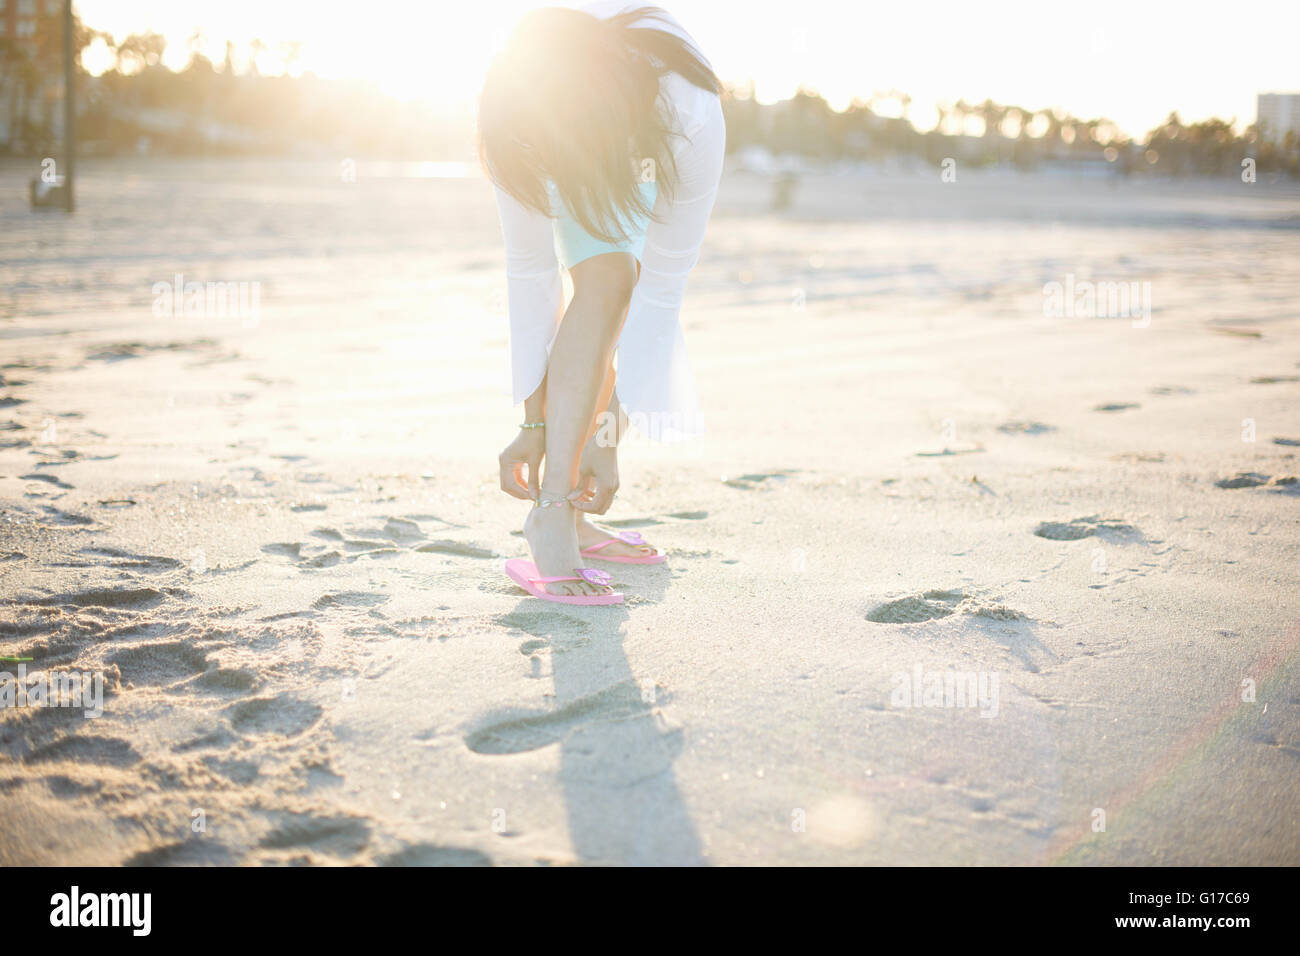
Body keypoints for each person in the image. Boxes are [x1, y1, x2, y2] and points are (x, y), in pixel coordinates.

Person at [479, 3, 725, 604]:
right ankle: (554, 514)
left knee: (625, 280)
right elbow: (532, 276)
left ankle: (569, 511)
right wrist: (532, 426)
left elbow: (659, 294)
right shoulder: (518, 101)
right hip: (569, 116)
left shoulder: (690, 109)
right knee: (606, 278)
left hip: (640, 136)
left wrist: (607, 436)